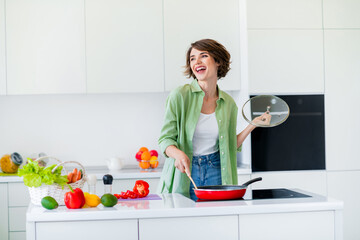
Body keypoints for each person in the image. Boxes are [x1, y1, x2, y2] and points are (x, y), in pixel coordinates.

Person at [157, 39, 270, 200]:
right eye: (192, 58)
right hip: (186, 171)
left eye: (203, 56)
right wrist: (178, 154)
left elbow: (230, 145)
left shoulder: (228, 103)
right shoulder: (180, 96)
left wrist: (253, 124)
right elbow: (165, 140)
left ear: (217, 61)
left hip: (217, 170)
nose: (197, 62)